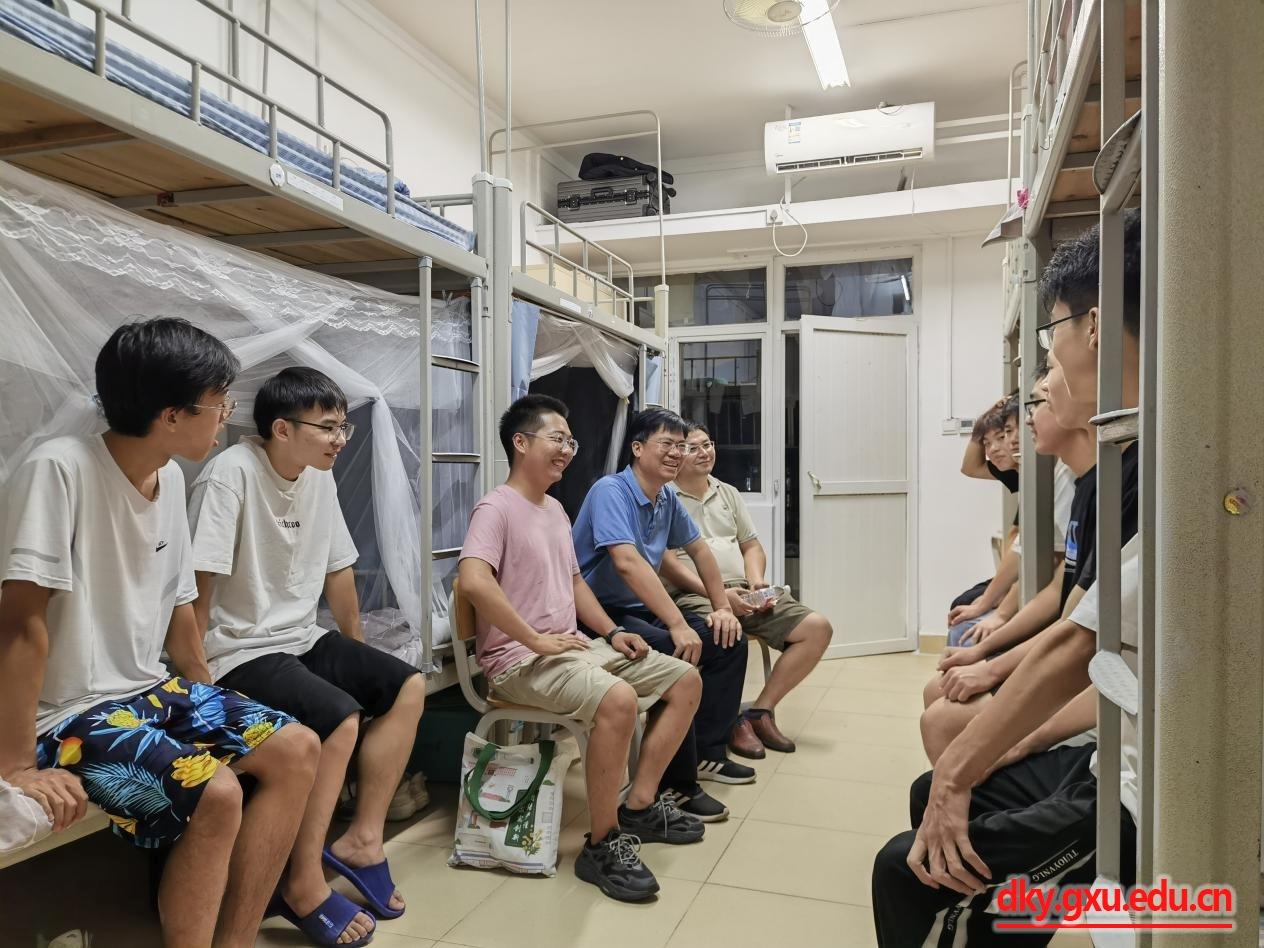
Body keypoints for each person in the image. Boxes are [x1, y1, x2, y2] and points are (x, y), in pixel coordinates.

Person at [0, 318, 318, 948]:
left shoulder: (171, 476)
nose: (226, 418)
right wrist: (14, 766)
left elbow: (179, 603)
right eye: (219, 403)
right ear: (171, 415)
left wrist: (206, 696)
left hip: (146, 690)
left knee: (298, 748)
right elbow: (19, 622)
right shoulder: (58, 469)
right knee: (216, 792)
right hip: (67, 712)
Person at [871, 209, 1142, 945]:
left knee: (907, 863)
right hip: (1115, 741)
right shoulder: (1117, 464)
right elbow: (1067, 606)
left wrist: (977, 748)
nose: (1044, 382)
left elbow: (1073, 633)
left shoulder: (1139, 464)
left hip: (1139, 776)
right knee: (939, 763)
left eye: (1049, 353)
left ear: (1092, 326)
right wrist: (989, 641)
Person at [189, 366, 425, 946]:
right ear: (281, 429)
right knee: (340, 717)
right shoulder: (231, 474)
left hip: (300, 636)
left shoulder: (318, 475)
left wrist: (357, 649)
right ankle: (303, 882)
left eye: (343, 426)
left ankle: (361, 839)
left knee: (406, 686)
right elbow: (198, 585)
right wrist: (197, 684)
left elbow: (338, 568)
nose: (340, 439)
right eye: (328, 427)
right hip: (239, 649)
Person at [458, 394, 705, 902]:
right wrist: (532, 638)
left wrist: (611, 632)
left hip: (570, 648)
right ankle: (601, 843)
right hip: (519, 660)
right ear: (520, 442)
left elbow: (574, 585)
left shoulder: (553, 509)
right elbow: (474, 582)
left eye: (571, 442)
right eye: (557, 439)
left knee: (684, 679)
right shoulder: (495, 507)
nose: (567, 451)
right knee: (618, 700)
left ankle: (639, 805)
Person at [572, 407, 750, 822]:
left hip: (637, 609)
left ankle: (707, 753)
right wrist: (677, 623)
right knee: (678, 652)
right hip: (597, 615)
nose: (676, 453)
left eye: (681, 446)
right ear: (637, 448)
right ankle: (676, 784)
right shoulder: (610, 491)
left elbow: (699, 550)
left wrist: (722, 608)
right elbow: (627, 563)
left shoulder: (666, 496)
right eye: (666, 444)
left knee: (727, 640)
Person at [920, 361, 1091, 762]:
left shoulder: (1075, 482)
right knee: (957, 642)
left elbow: (1068, 607)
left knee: (941, 713)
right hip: (1056, 628)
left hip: (1075, 659)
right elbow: (1059, 587)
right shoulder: (1047, 475)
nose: (1021, 429)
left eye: (1036, 405)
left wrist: (992, 638)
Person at [659, 422, 832, 758]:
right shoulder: (664, 497)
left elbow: (751, 546)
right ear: (676, 453)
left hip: (741, 591)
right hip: (693, 596)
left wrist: (756, 582)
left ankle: (757, 713)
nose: (705, 453)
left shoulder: (727, 493)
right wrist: (718, 597)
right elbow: (666, 563)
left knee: (817, 628)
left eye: (708, 444)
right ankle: (727, 723)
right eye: (693, 447)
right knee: (728, 633)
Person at [948, 396, 1023, 644]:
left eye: (1002, 436)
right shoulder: (1015, 473)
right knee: (962, 603)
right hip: (1015, 576)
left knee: (964, 625)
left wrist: (995, 601)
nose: (992, 449)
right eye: (987, 443)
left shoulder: (1041, 475)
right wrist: (982, 421)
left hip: (1025, 579)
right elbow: (969, 467)